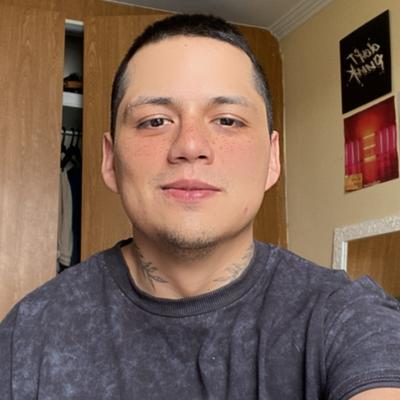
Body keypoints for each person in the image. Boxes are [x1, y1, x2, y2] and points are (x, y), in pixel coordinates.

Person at [1, 14, 400, 400]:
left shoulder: (346, 317)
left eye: (227, 120)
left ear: (272, 159)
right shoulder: (29, 333)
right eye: (155, 121)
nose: (190, 146)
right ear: (110, 160)